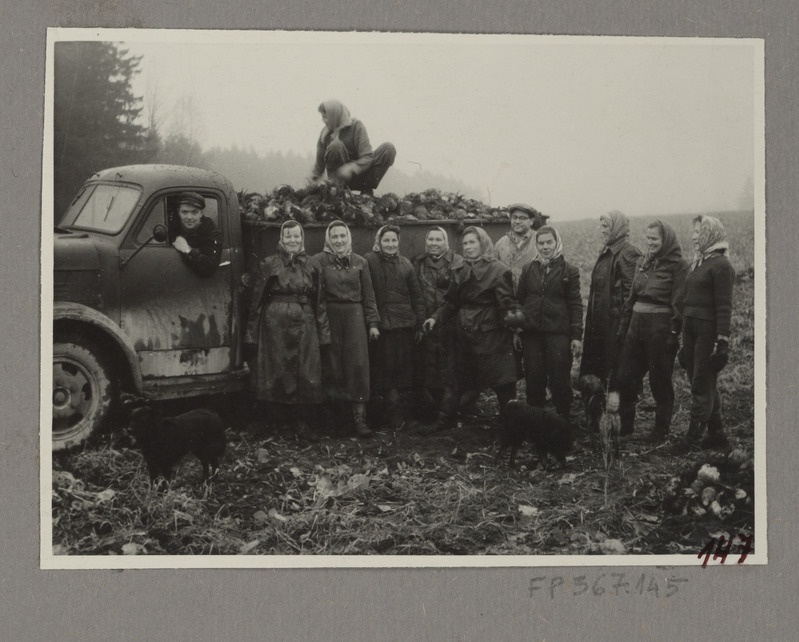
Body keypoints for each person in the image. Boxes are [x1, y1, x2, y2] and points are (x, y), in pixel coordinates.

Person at [421, 226, 518, 432]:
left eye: (473, 242)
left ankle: (511, 427)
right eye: (465, 243)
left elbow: (508, 305)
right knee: (455, 378)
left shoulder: (498, 270)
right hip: (463, 333)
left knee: (502, 383)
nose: (468, 247)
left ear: (483, 244)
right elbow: (450, 302)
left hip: (491, 336)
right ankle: (443, 420)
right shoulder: (460, 269)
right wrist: (435, 317)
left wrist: (517, 332)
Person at [245, 221, 330, 440]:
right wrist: (252, 334)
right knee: (277, 369)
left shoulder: (312, 265)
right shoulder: (269, 264)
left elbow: (320, 301)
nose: (292, 240)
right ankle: (278, 423)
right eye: (288, 236)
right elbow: (257, 301)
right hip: (275, 324)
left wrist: (324, 334)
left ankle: (302, 423)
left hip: (305, 322)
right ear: (280, 239)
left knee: (304, 369)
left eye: (296, 236)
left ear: (302, 239)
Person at [615, 220, 689, 442]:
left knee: (660, 380)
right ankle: (625, 426)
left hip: (660, 328)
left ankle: (660, 429)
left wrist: (673, 333)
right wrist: (623, 328)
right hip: (636, 326)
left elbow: (679, 302)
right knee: (625, 377)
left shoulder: (679, 266)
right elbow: (631, 299)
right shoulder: (643, 262)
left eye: (654, 239)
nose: (649, 243)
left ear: (665, 240)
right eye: (647, 239)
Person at [672, 215, 736, 452]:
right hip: (691, 330)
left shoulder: (721, 266)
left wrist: (722, 341)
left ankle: (693, 437)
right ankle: (716, 433)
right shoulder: (699, 262)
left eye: (698, 232)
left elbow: (724, 307)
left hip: (707, 331)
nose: (693, 236)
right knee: (702, 381)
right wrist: (683, 339)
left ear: (710, 233)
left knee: (701, 382)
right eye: (694, 232)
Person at [313, 220, 381, 437]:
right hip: (330, 317)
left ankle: (359, 420)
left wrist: (373, 323)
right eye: (335, 237)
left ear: (348, 238)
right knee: (333, 365)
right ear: (328, 239)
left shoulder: (360, 262)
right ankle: (337, 421)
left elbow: (369, 296)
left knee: (358, 365)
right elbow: (317, 298)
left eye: (343, 236)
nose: (339, 240)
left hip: (355, 317)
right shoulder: (319, 261)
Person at [515, 226, 583, 418]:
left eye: (549, 242)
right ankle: (536, 421)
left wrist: (576, 335)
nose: (545, 247)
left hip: (557, 334)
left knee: (559, 377)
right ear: (536, 245)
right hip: (531, 334)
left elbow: (575, 304)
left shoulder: (569, 271)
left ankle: (563, 420)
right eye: (541, 243)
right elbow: (518, 301)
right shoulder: (528, 269)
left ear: (556, 243)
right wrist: (516, 330)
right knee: (534, 377)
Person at [365, 225, 425, 428]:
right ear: (379, 242)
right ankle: (391, 417)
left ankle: (406, 417)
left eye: (393, 241)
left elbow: (417, 296)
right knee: (386, 372)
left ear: (398, 242)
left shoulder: (406, 264)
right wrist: (374, 322)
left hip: (405, 326)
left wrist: (419, 324)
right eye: (386, 241)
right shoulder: (370, 261)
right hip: (384, 328)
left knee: (405, 371)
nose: (390, 245)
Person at [579, 211, 643, 390]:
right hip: (600, 325)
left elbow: (632, 296)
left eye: (606, 226)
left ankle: (617, 412)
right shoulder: (607, 252)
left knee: (618, 377)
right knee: (601, 375)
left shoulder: (628, 253)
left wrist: (624, 328)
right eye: (601, 226)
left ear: (617, 228)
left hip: (615, 328)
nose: (601, 230)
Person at [412, 226, 464, 422]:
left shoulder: (456, 262)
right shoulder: (418, 263)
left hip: (449, 324)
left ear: (446, 242)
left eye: (438, 240)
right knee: (428, 368)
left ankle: (447, 413)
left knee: (449, 370)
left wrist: (438, 316)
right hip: (426, 325)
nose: (434, 243)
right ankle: (430, 412)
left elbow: (455, 296)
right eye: (430, 240)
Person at [309, 99, 396, 195]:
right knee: (336, 145)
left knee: (388, 148)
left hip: (360, 176)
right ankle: (336, 188)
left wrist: (351, 168)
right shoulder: (325, 134)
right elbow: (319, 166)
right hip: (339, 179)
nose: (323, 120)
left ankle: (367, 189)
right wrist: (312, 186)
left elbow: (368, 157)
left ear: (334, 115)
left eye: (325, 117)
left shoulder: (356, 126)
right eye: (322, 117)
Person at [494, 203, 548, 288]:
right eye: (514, 217)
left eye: (522, 218)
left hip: (532, 297)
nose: (517, 221)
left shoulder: (541, 241)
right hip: (507, 297)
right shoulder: (500, 244)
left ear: (531, 221)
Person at [170, 191, 223, 277]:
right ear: (178, 212)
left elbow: (209, 268)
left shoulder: (212, 233)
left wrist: (187, 250)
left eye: (194, 212)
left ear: (201, 213)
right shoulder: (172, 227)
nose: (189, 217)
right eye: (184, 212)